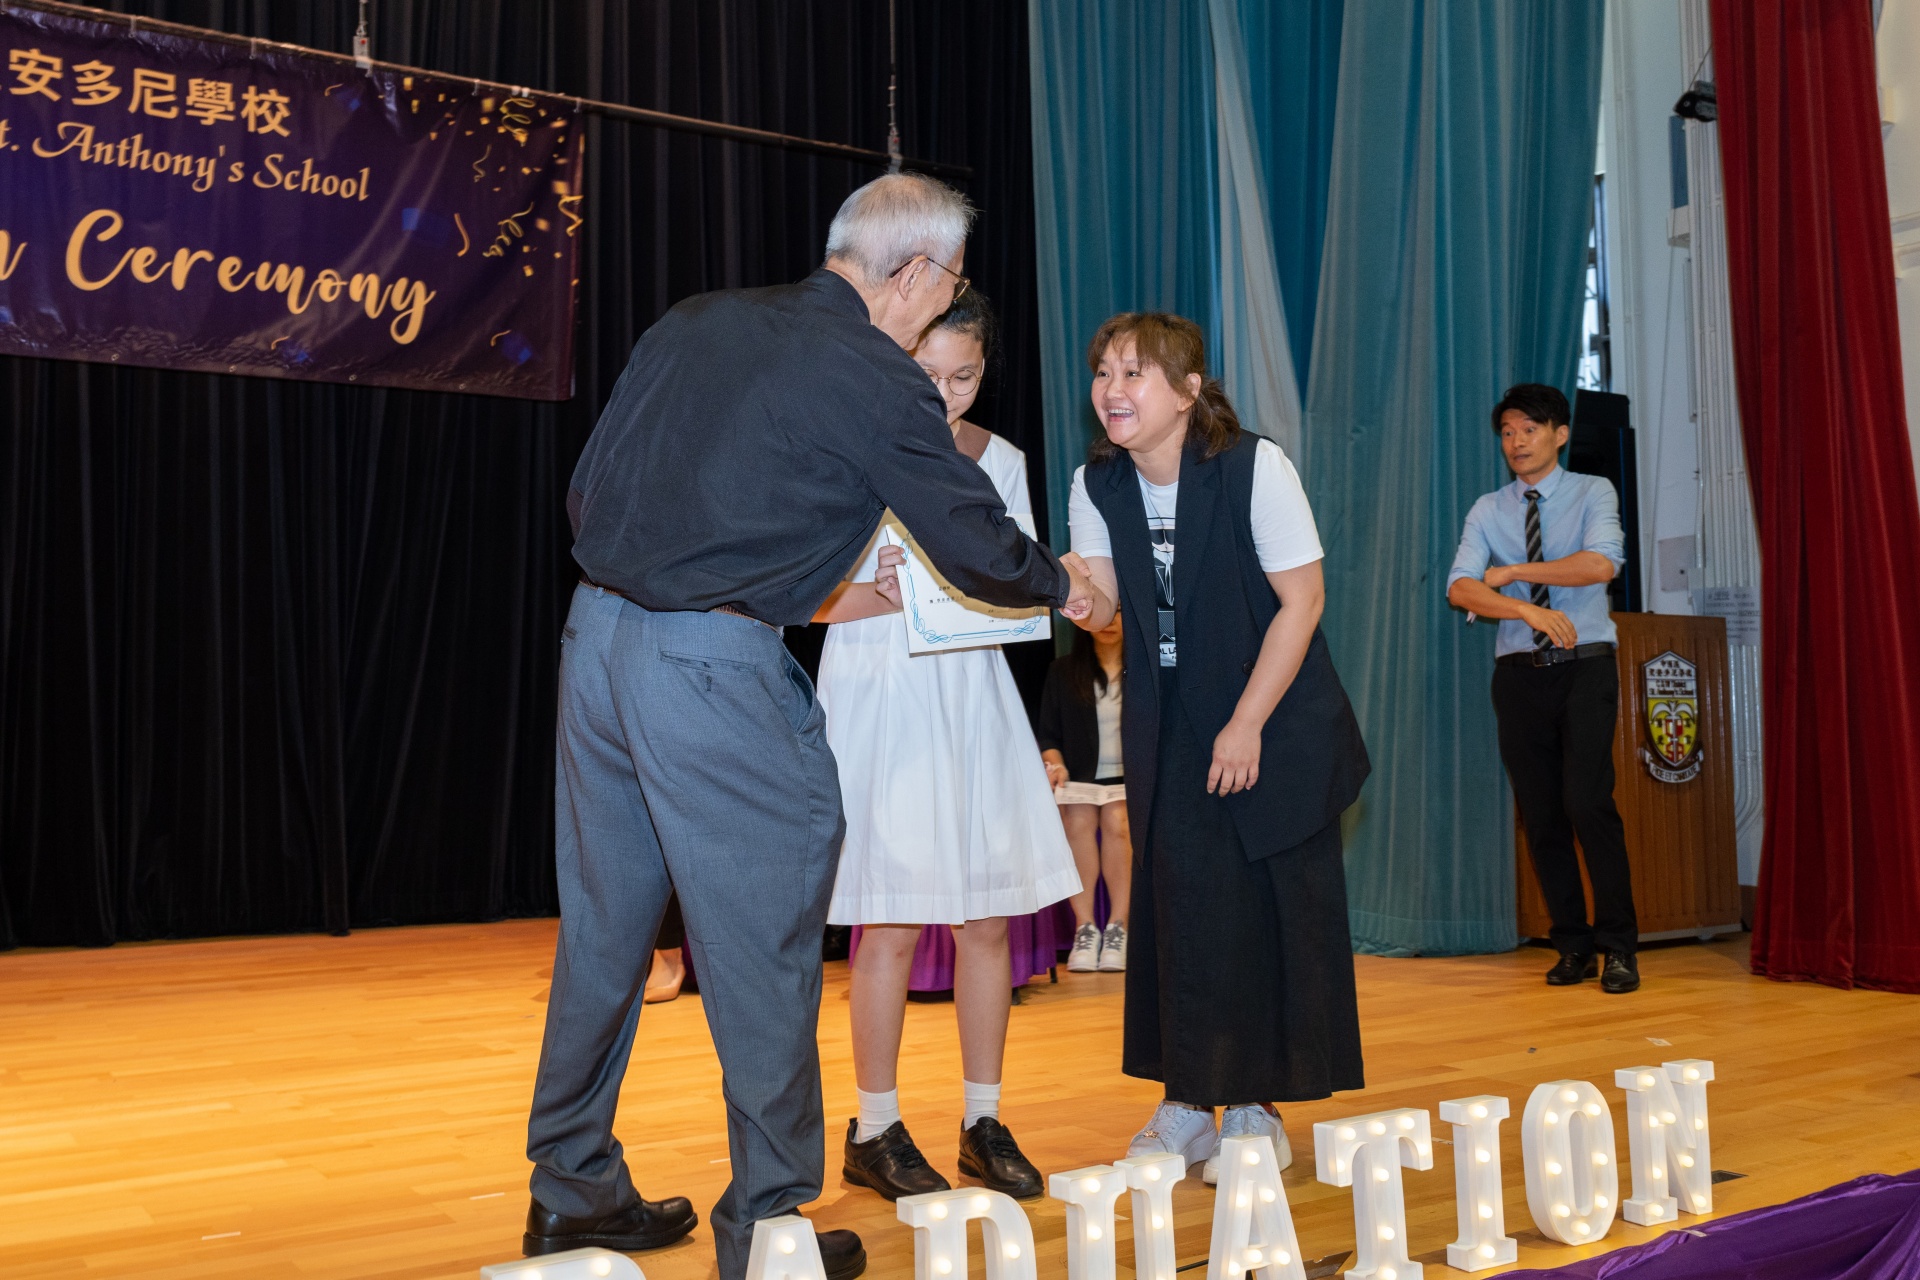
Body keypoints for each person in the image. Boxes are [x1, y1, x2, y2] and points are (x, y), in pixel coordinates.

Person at [523, 172, 1096, 1278]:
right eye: (949, 289)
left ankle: (571, 1186)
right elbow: (972, 536)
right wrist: (1065, 586)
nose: (943, 311)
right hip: (710, 666)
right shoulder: (873, 373)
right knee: (763, 944)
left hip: (595, 643)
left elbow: (587, 490)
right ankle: (770, 1229)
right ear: (916, 273)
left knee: (603, 931)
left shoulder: (697, 318)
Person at [1064, 312, 1370, 1183]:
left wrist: (1246, 722)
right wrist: (1074, 595)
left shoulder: (1252, 466)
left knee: (1264, 906)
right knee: (1181, 907)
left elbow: (1303, 602)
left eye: (1134, 372)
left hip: (1271, 714)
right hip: (1169, 722)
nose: (1113, 390)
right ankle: (1187, 1101)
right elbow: (1107, 609)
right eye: (1103, 373)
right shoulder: (1097, 483)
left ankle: (1254, 1107)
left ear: (1188, 390)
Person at [817, 290, 1078, 1204]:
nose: (944, 392)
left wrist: (1018, 592)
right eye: (926, 372)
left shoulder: (1001, 461)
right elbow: (803, 595)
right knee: (887, 918)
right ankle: (875, 1126)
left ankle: (983, 1120)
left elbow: (1022, 587)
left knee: (989, 917)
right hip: (879, 691)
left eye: (963, 376)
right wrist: (874, 594)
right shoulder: (846, 445)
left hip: (972, 694)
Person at [1445, 383, 1638, 994]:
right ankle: (1572, 945)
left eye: (1529, 429)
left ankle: (1618, 946)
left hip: (1585, 666)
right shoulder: (1488, 509)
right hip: (1519, 676)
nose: (1517, 442)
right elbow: (1460, 587)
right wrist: (1524, 609)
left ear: (1559, 434)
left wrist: (1513, 573)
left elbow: (1601, 563)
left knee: (1587, 801)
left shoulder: (1592, 491)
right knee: (1542, 815)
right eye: (1507, 432)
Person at [1037, 614, 1132, 972]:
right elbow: (1049, 736)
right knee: (1077, 821)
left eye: (1118, 611)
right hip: (1080, 779)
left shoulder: (1144, 670)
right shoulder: (1062, 671)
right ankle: (1085, 927)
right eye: (1102, 612)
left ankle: (1119, 926)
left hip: (1129, 779)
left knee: (1119, 821)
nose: (1109, 621)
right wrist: (1056, 765)